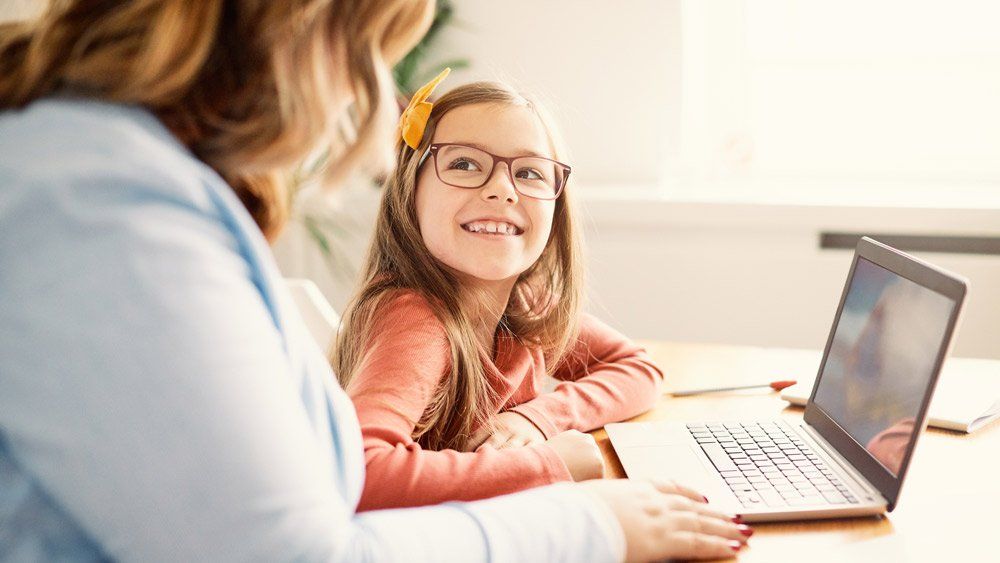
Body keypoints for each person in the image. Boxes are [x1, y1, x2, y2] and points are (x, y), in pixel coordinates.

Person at [0, 1, 751, 561]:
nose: (366, 100)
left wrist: (539, 426)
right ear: (282, 28)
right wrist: (595, 519)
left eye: (528, 173)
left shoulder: (124, 182)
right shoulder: (97, 202)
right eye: (363, 47)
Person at [334, 77, 667, 511]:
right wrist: (548, 465)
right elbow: (361, 474)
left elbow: (638, 369)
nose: (502, 189)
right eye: (465, 164)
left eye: (529, 172)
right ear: (409, 192)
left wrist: (539, 417)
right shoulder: (416, 317)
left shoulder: (521, 305)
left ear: (556, 210)